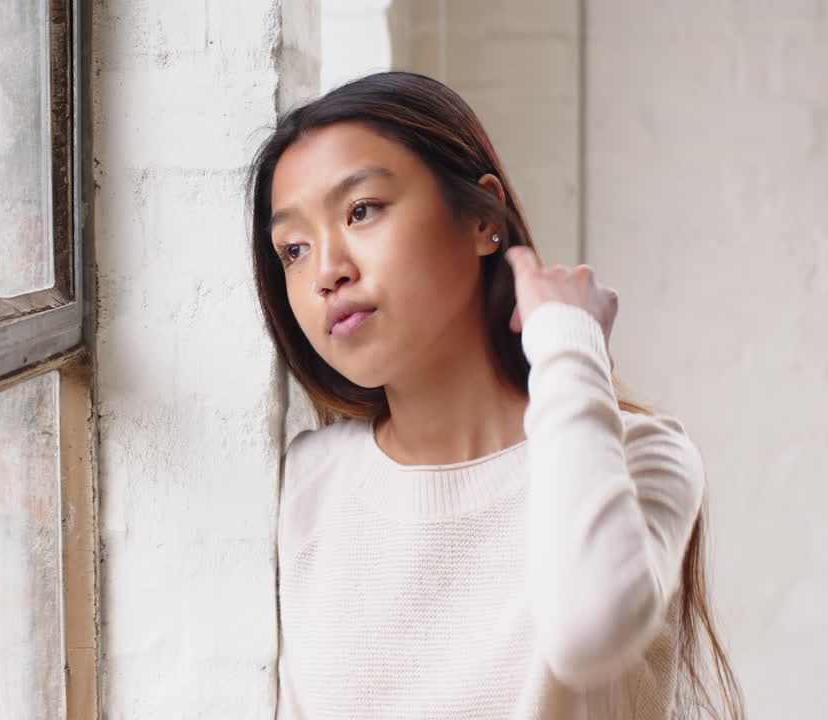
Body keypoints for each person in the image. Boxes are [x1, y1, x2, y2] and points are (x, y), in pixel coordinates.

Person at [250, 72, 743, 719]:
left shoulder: (641, 456)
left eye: (361, 210)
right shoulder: (305, 484)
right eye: (293, 248)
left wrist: (567, 342)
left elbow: (588, 631)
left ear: (483, 218)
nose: (326, 271)